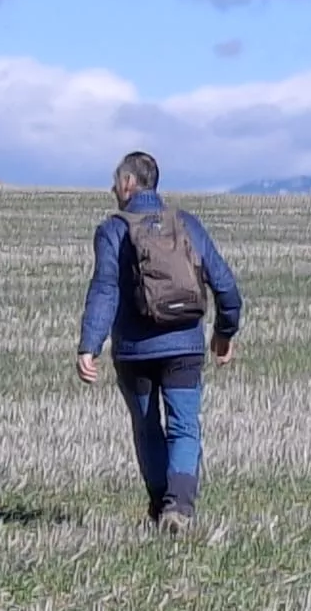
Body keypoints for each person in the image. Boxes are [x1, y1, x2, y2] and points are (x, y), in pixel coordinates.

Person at [77, 151, 243, 533]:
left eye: (115, 180)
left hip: (134, 352)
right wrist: (224, 331)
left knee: (148, 427)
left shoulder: (113, 229)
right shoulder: (185, 223)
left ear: (129, 184)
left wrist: (90, 343)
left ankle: (159, 507)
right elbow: (225, 284)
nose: (112, 188)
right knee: (185, 427)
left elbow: (104, 289)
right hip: (184, 345)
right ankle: (179, 508)